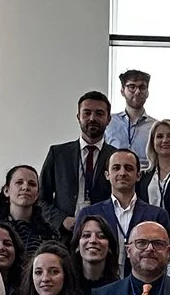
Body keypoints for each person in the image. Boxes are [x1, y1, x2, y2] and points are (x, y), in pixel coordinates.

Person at [74, 147, 170, 272]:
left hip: (144, 283)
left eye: (129, 168)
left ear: (138, 175)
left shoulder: (157, 215)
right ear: (107, 175)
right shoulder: (89, 214)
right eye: (116, 168)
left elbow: (164, 256)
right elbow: (77, 254)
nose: (122, 173)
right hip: (100, 282)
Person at [40, 89, 116, 225]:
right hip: (63, 234)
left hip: (104, 232)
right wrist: (61, 220)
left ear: (109, 119)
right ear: (78, 117)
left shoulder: (116, 157)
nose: (92, 118)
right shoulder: (57, 154)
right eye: (87, 113)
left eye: (99, 113)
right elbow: (40, 199)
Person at [0, 164, 51, 262]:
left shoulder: (49, 233)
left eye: (32, 184)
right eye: (19, 182)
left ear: (37, 194)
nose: (25, 187)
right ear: (6, 190)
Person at [103, 65, 157, 157]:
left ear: (147, 92)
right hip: (115, 170)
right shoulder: (109, 122)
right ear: (122, 91)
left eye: (142, 87)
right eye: (132, 87)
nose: (137, 92)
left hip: (145, 171)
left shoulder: (155, 126)